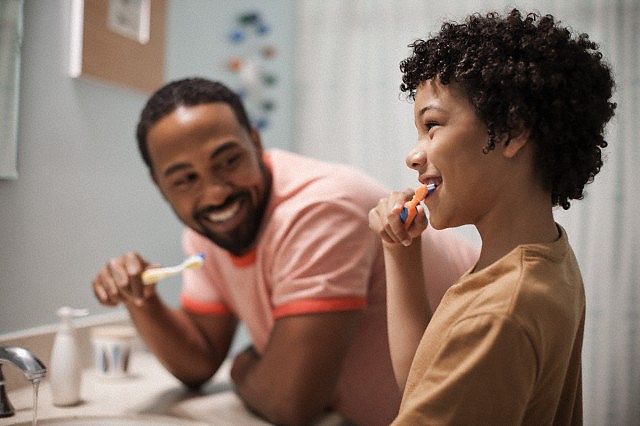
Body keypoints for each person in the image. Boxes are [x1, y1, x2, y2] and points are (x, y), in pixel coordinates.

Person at [91, 77, 477, 425]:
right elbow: (200, 360)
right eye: (185, 179)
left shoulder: (320, 208)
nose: (215, 193)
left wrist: (242, 366)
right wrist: (141, 300)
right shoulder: (208, 230)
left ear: (255, 142)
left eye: (228, 161)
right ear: (160, 185)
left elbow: (290, 403)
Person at [368, 9, 616, 425]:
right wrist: (399, 251)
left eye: (432, 126)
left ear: (512, 130)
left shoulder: (499, 313)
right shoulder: (546, 257)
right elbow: (423, 384)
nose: (413, 155)